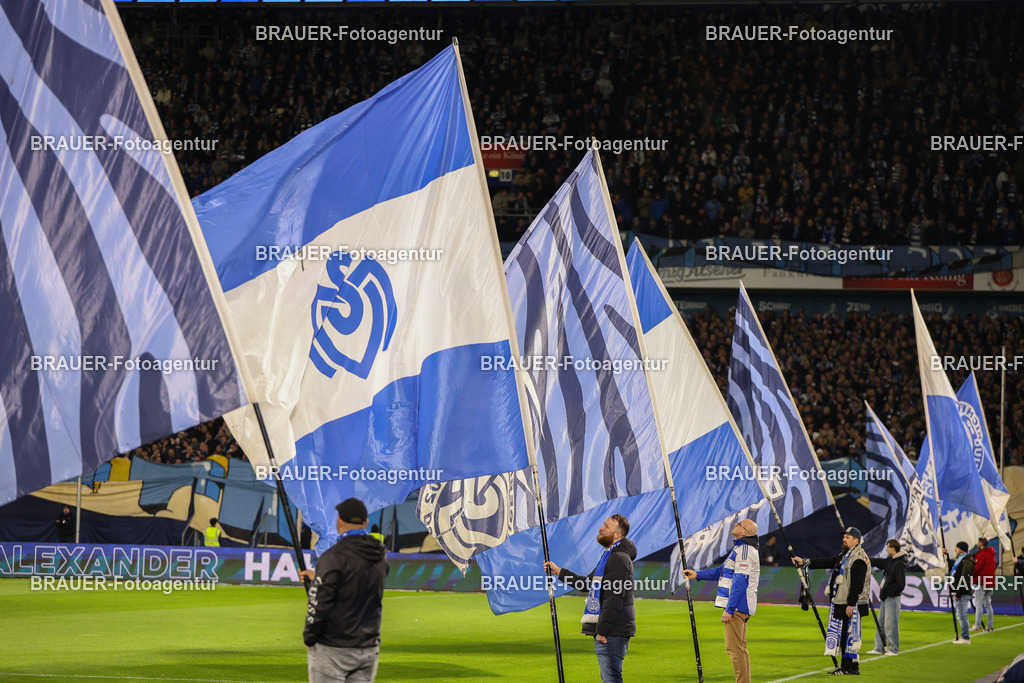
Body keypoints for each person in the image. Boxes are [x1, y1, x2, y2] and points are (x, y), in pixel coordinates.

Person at [299, 498, 389, 682]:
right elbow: (356, 580)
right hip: (368, 646)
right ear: (365, 522)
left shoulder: (333, 557)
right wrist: (319, 576)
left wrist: (309, 637)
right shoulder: (379, 556)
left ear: (339, 520)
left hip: (334, 647)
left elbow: (319, 603)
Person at [543, 515, 636, 683]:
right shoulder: (610, 556)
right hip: (612, 630)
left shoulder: (618, 558)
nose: (601, 528)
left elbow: (614, 598)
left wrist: (602, 630)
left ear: (617, 534)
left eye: (606, 526)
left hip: (612, 632)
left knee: (611, 679)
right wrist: (560, 572)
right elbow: (587, 583)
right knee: (610, 677)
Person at [683, 519, 760, 683]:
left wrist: (730, 609)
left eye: (739, 524)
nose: (735, 524)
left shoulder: (744, 550)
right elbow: (722, 571)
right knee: (740, 649)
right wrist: (697, 574)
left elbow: (740, 582)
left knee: (734, 650)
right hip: (740, 606)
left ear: (744, 532)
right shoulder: (740, 549)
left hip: (738, 607)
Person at [793, 527, 870, 676]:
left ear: (856, 541)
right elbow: (830, 561)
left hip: (849, 602)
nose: (844, 539)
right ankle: (852, 667)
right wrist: (805, 561)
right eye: (844, 537)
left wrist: (851, 604)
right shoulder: (847, 555)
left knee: (847, 635)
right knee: (847, 634)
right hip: (843, 600)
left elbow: (857, 584)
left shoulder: (858, 558)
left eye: (848, 537)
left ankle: (847, 668)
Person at [865, 539, 906, 655]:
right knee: (881, 623)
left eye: (888, 547)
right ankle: (879, 647)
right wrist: (865, 558)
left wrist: (889, 592)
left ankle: (893, 649)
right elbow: (878, 562)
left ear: (893, 548)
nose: (886, 549)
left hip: (892, 598)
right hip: (885, 597)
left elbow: (901, 584)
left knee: (890, 624)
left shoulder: (899, 563)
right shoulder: (890, 561)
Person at [942, 541, 975, 644]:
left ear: (961, 549)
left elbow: (964, 578)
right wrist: (947, 555)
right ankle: (965, 637)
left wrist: (958, 593)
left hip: (962, 592)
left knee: (962, 615)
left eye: (956, 548)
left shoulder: (966, 561)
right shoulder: (962, 559)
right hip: (960, 590)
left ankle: (965, 638)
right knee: (961, 615)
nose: (955, 550)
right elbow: (954, 569)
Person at [971, 537, 996, 632]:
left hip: (981, 582)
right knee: (988, 604)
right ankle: (990, 626)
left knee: (978, 604)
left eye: (978, 542)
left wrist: (970, 573)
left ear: (981, 544)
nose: (977, 544)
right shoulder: (992, 554)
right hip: (990, 582)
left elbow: (976, 568)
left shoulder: (981, 554)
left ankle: (977, 625)